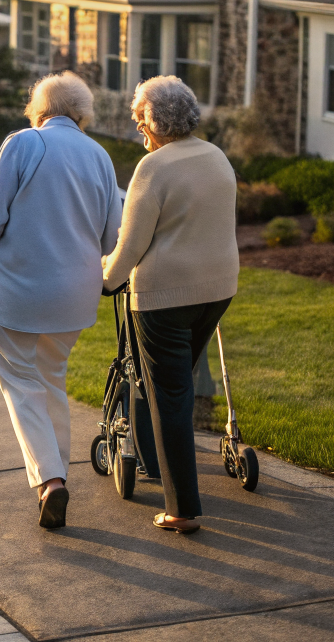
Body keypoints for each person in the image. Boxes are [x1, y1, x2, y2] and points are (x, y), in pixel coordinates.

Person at [0, 71, 121, 531]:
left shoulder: (23, 143)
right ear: (82, 114)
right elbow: (113, 235)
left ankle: (50, 482)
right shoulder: (100, 156)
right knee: (51, 381)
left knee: (21, 385)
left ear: (38, 110)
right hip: (73, 299)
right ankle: (57, 475)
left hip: (15, 292)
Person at [102, 75, 238, 535]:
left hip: (164, 299)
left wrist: (107, 278)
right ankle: (155, 461)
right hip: (217, 292)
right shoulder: (215, 156)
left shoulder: (154, 168)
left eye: (139, 119)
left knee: (170, 394)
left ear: (155, 121)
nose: (138, 129)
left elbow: (132, 243)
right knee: (170, 385)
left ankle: (181, 507)